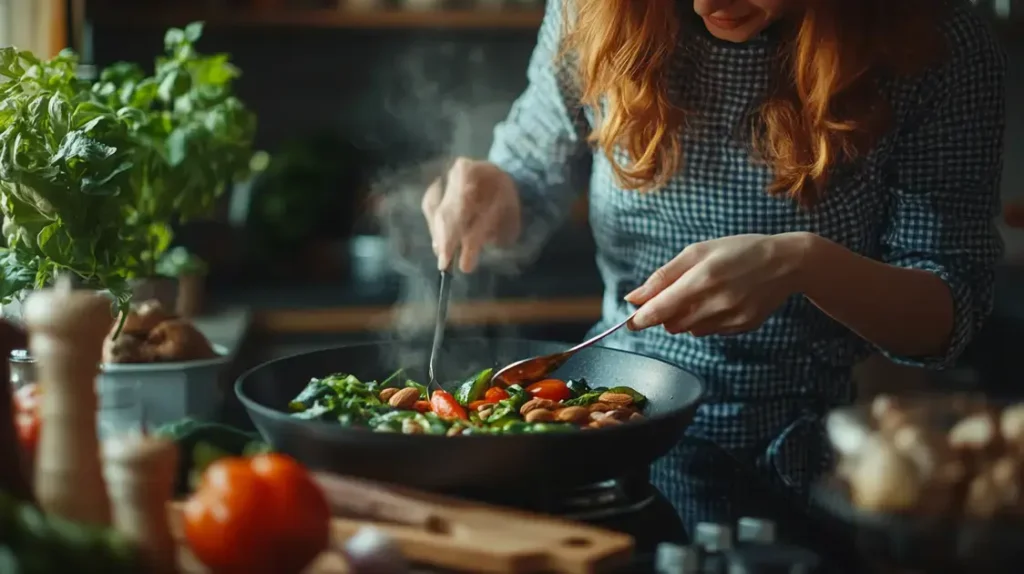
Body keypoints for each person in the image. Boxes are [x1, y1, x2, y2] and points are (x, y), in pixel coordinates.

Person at [421, 0, 1007, 513]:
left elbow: (948, 311)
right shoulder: (597, 8)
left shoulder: (935, 40)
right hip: (608, 433)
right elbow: (531, 170)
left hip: (802, 467)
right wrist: (497, 188)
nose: (707, 4)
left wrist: (804, 263)